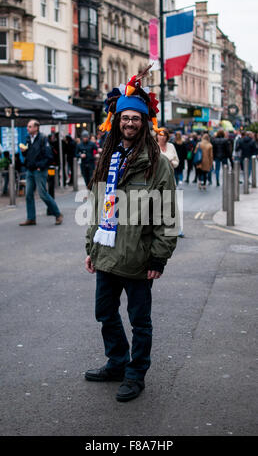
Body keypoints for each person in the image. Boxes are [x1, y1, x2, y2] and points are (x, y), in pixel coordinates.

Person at [84, 69, 177, 402]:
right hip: (106, 253)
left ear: (144, 123)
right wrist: (90, 246)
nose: (130, 123)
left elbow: (168, 214)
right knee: (104, 313)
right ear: (117, 120)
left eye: (136, 118)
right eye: (125, 117)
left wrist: (158, 257)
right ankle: (118, 361)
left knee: (140, 320)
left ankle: (136, 373)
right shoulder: (108, 157)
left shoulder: (157, 163)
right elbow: (97, 205)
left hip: (139, 257)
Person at [19, 119, 63, 226]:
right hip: (30, 170)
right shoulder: (28, 139)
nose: (27, 128)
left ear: (36, 128)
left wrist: (40, 166)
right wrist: (24, 152)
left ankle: (57, 214)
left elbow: (49, 156)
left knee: (42, 194)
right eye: (28, 126)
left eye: (30, 126)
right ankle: (31, 218)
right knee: (28, 194)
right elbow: (28, 154)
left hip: (39, 170)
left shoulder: (43, 139)